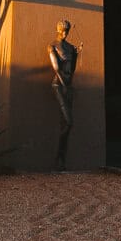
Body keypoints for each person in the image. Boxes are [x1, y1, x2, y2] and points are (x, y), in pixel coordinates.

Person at [49, 20, 79, 171]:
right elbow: (56, 68)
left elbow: (72, 69)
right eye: (63, 30)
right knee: (69, 122)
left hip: (69, 85)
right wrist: (65, 85)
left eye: (67, 30)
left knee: (65, 123)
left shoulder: (70, 47)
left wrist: (77, 54)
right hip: (59, 85)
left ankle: (61, 161)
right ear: (58, 30)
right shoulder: (53, 46)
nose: (65, 32)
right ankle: (59, 157)